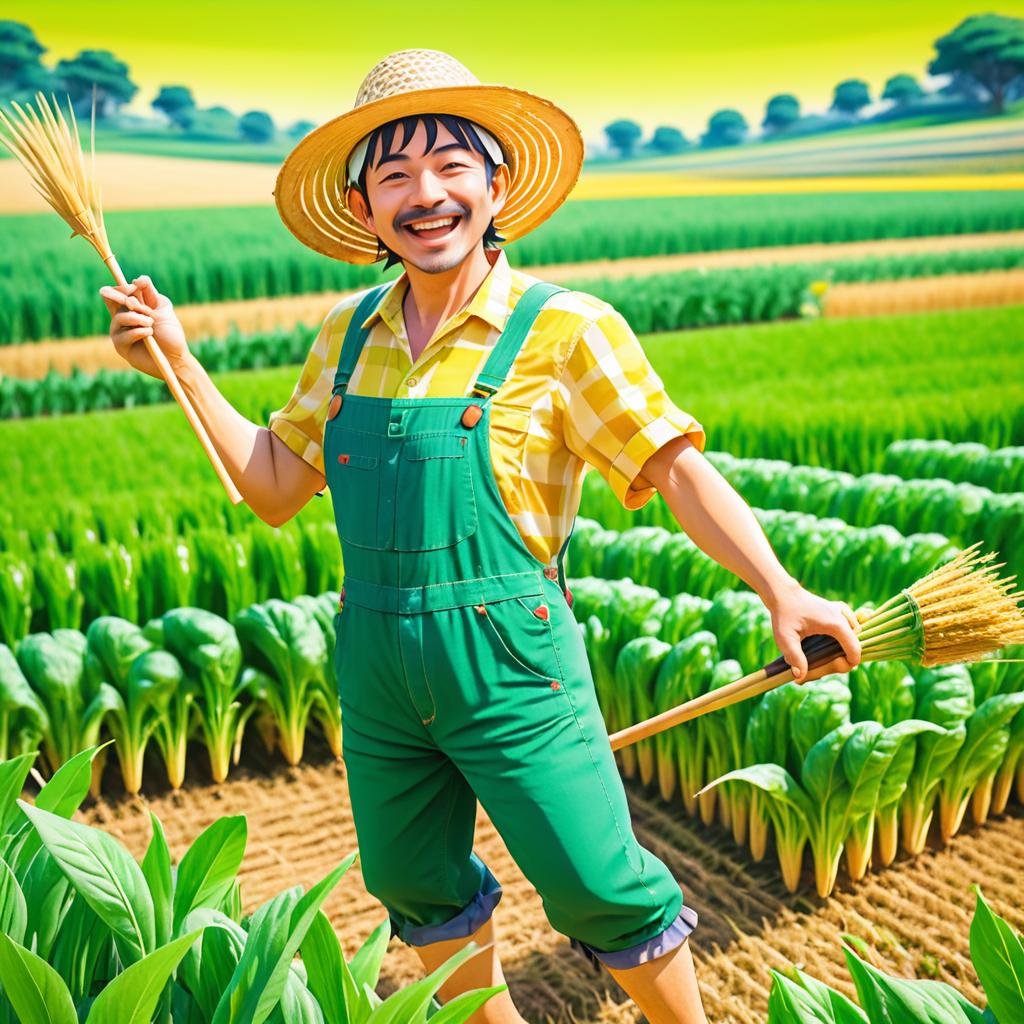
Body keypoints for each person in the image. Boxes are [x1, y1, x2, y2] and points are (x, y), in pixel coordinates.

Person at [100, 48, 861, 1024]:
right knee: (415, 885)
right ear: (365, 206)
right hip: (376, 660)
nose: (427, 194)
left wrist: (779, 588)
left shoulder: (566, 329)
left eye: (452, 165)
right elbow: (277, 486)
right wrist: (176, 360)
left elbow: (673, 465)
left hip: (511, 659)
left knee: (596, 881)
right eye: (395, 174)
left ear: (495, 186)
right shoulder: (347, 334)